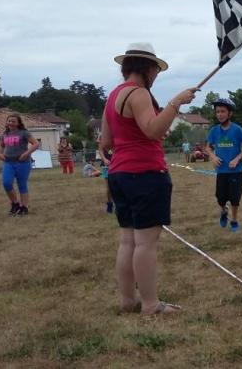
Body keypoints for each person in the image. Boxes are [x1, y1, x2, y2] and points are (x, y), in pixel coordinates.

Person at [99, 42, 196, 315]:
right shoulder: (139, 94)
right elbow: (153, 130)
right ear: (146, 67)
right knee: (145, 243)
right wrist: (175, 103)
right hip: (144, 174)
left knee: (127, 241)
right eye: (156, 69)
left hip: (119, 174)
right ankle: (151, 304)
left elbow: (106, 141)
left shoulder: (113, 97)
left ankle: (128, 300)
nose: (157, 75)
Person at [205, 98, 242, 233]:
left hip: (235, 171)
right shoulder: (214, 130)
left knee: (235, 198)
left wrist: (237, 159)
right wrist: (213, 157)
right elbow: (207, 147)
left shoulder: (237, 130)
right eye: (217, 112)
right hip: (221, 171)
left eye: (223, 111)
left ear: (229, 113)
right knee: (220, 198)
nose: (220, 114)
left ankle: (234, 220)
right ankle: (223, 211)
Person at [0, 113, 39, 216]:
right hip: (8, 162)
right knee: (6, 183)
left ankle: (24, 207)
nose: (10, 123)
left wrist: (26, 154)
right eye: (9, 121)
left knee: (22, 185)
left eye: (13, 121)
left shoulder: (24, 133)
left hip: (22, 163)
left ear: (18, 123)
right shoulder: (5, 134)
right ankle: (15, 203)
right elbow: (1, 146)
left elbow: (36, 144)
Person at [98, 144, 115, 213]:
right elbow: (100, 149)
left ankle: (119, 204)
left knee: (119, 186)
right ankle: (110, 205)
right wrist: (104, 159)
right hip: (106, 166)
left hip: (118, 163)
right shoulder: (103, 135)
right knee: (109, 187)